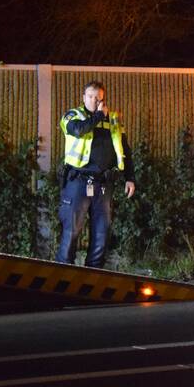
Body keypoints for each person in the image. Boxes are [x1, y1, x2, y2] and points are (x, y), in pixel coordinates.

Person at [57, 80, 136, 268]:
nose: (94, 100)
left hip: (103, 185)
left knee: (101, 233)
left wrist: (129, 178)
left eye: (98, 98)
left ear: (103, 100)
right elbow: (79, 130)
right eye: (90, 96)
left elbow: (125, 150)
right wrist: (99, 115)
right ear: (83, 97)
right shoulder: (72, 116)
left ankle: (94, 274)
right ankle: (63, 273)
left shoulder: (113, 120)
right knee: (71, 231)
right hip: (78, 182)